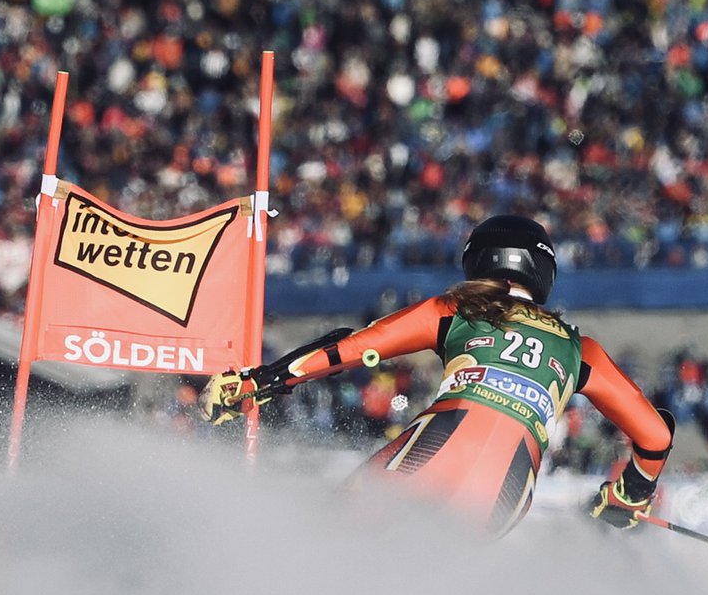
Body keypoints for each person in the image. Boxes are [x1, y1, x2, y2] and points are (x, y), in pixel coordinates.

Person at [199, 215, 675, 537]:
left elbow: (356, 348)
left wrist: (259, 381)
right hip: (503, 496)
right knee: (423, 584)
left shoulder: (455, 310)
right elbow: (655, 434)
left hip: (429, 454)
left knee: (332, 540)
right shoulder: (578, 349)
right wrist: (632, 492)